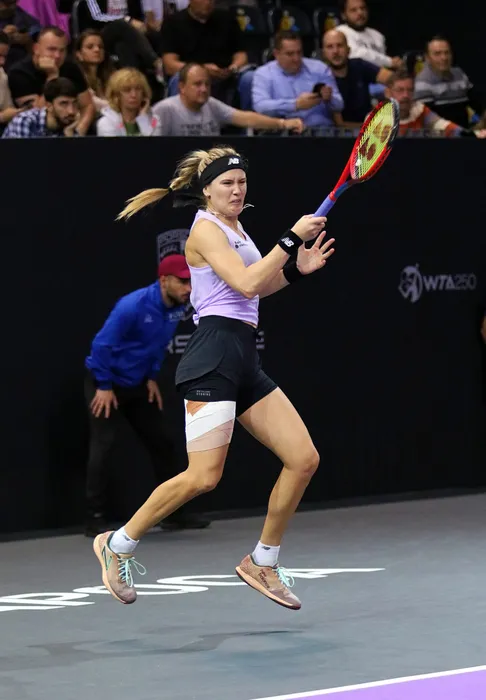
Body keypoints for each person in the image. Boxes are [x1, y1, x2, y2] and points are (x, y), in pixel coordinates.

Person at [93, 145, 335, 610]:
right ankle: (118, 544)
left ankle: (263, 560)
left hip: (243, 357)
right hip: (213, 356)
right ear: (207, 190)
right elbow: (245, 283)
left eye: (242, 182)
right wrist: (290, 239)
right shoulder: (205, 230)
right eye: (227, 183)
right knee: (203, 477)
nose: (237, 190)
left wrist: (296, 272)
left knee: (303, 458)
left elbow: (257, 286)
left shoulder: (238, 230)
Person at [85, 254, 210, 537]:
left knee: (163, 444)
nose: (189, 288)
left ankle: (173, 515)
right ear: (163, 281)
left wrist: (151, 377)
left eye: (191, 282)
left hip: (138, 383)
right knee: (104, 445)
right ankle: (94, 519)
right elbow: (101, 346)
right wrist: (103, 385)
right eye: (182, 282)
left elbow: (157, 344)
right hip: (106, 382)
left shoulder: (177, 308)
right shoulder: (133, 305)